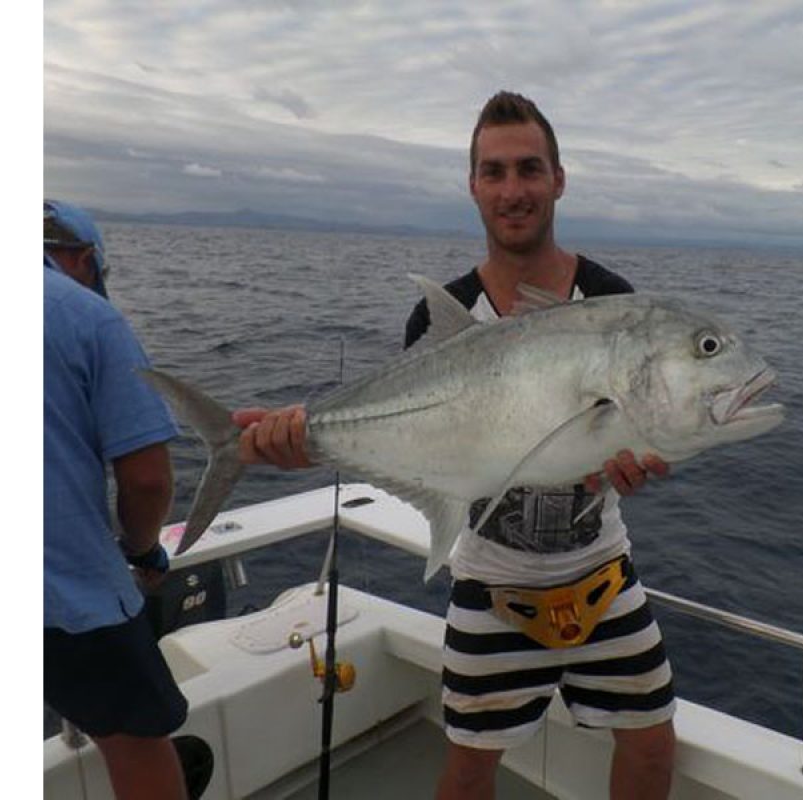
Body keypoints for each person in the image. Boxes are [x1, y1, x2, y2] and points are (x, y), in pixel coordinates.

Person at [237, 92, 676, 800]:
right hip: (490, 582)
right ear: (472, 185)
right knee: (469, 766)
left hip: (602, 571)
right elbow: (414, 442)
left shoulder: (608, 300)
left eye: (529, 169)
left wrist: (639, 461)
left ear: (559, 179)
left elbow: (632, 427)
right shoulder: (439, 315)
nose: (513, 190)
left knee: (653, 747)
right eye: (494, 172)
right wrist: (307, 443)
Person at [44, 199, 191, 800]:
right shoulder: (87, 318)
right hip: (62, 593)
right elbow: (147, 480)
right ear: (83, 260)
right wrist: (144, 550)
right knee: (136, 742)